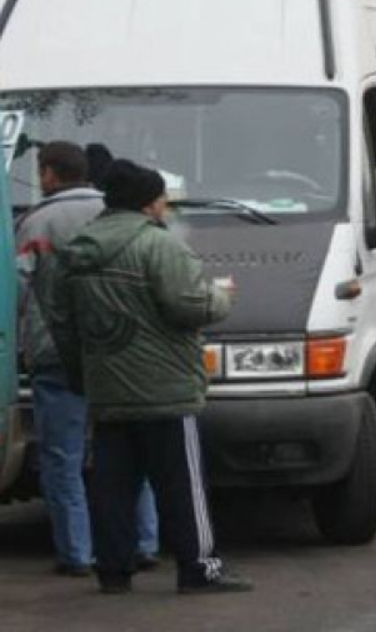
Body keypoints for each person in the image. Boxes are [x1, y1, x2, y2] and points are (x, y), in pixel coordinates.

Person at [50, 159, 252, 595]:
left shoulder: (77, 250)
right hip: (167, 390)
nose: (165, 206)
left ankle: (113, 570)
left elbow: (62, 323)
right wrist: (221, 296)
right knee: (183, 487)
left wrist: (83, 376)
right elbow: (189, 306)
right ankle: (200, 568)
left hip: (107, 390)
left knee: (112, 487)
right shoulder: (160, 247)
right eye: (162, 198)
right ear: (148, 204)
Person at [15, 142, 160, 576]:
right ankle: (144, 542)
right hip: (122, 351)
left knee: (63, 457)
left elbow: (18, 288)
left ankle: (76, 553)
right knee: (132, 451)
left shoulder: (36, 222)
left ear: (49, 174)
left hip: (56, 354)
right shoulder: (120, 215)